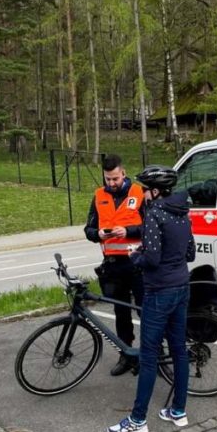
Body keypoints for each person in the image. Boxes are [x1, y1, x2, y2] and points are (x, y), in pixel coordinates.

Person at [107, 165, 196, 432]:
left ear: (155, 192)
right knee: (179, 350)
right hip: (182, 286)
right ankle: (178, 411)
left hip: (159, 291)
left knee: (148, 357)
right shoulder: (183, 213)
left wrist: (136, 255)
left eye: (145, 190)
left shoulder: (155, 214)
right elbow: (190, 253)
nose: (143, 195)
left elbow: (152, 259)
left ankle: (137, 420)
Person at [84, 154, 144, 376]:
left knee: (145, 310)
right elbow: (88, 229)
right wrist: (97, 234)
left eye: (115, 179)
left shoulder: (138, 193)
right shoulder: (99, 196)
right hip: (113, 264)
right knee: (121, 312)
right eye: (108, 179)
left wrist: (128, 231)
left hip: (138, 263)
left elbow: (150, 227)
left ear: (123, 173)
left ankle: (152, 354)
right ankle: (126, 354)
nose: (111, 183)